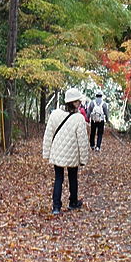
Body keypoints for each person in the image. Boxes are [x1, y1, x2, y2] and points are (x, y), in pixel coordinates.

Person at [42, 87, 90, 215]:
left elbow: (48, 134)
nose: (80, 103)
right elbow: (82, 141)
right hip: (72, 154)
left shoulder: (55, 114)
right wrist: (83, 159)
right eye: (78, 101)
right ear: (73, 102)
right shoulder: (79, 118)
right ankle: (72, 202)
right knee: (72, 177)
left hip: (57, 152)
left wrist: (46, 153)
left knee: (59, 178)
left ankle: (56, 206)